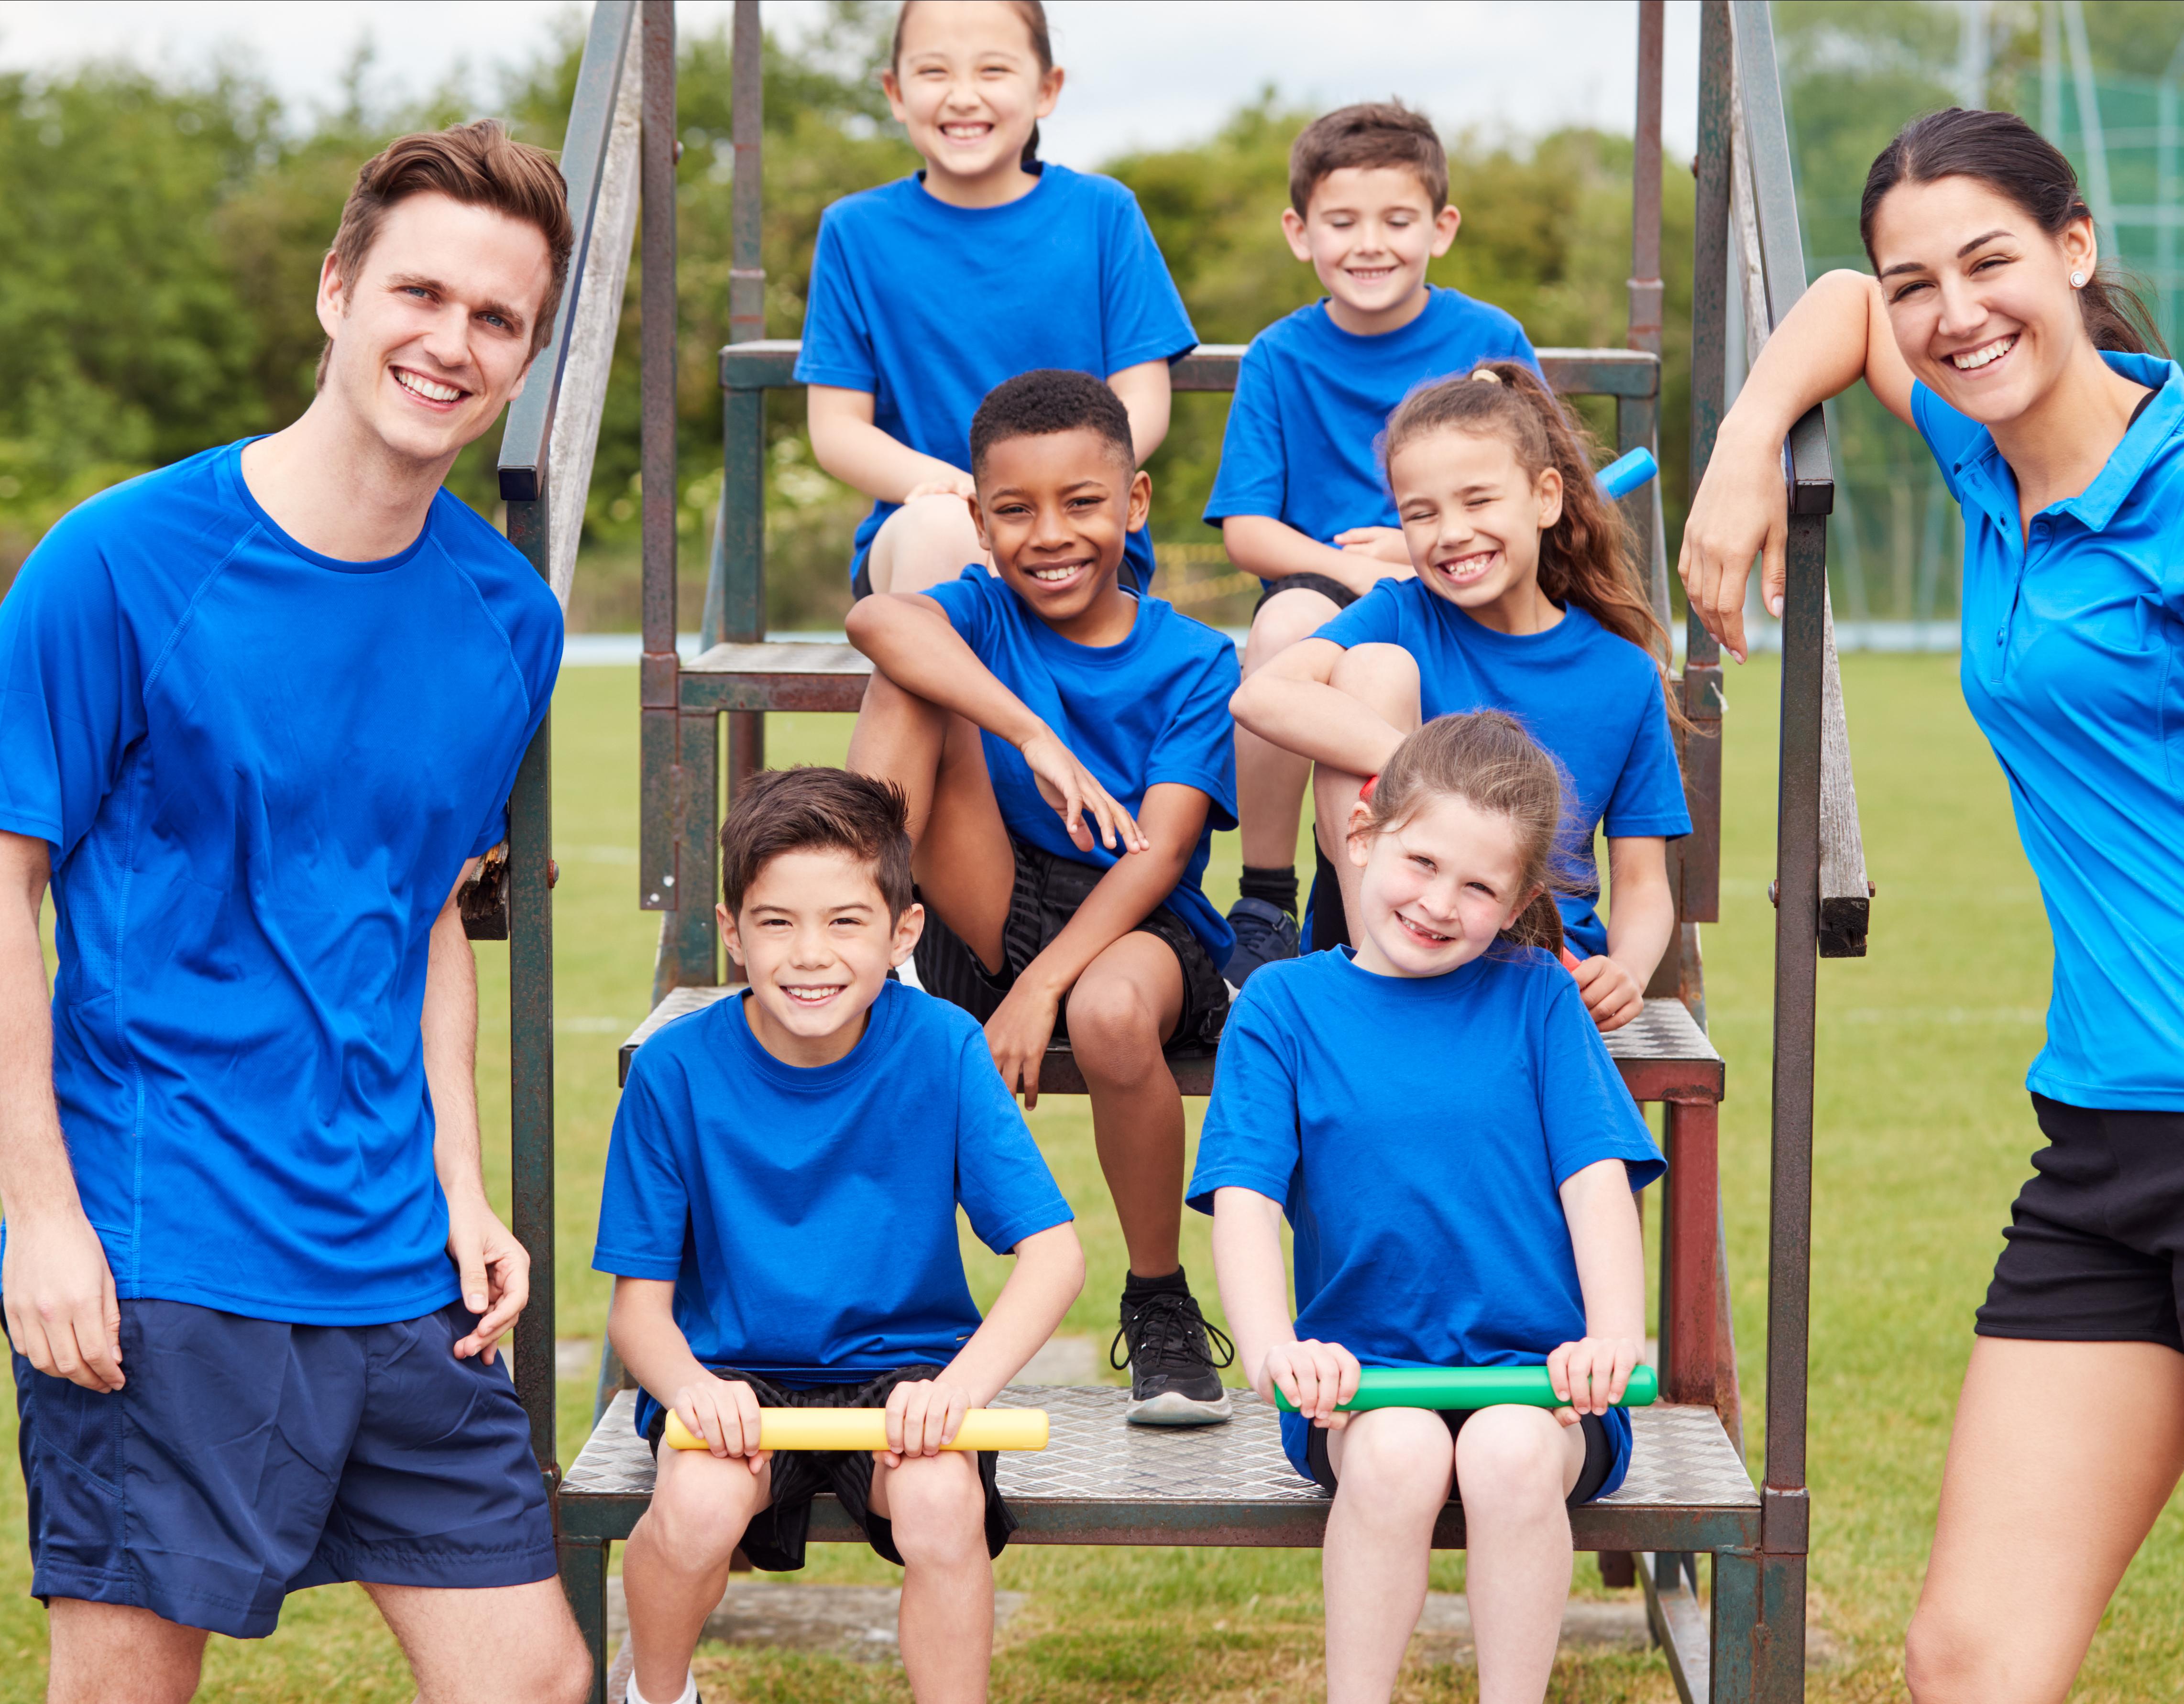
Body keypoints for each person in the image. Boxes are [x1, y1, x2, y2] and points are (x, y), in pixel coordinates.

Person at [1677, 106, 2184, 1702]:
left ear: (2072, 251)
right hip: (2094, 1142)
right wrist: (1744, 438)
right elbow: (1826, 296)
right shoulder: (1981, 444)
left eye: (1987, 262)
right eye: (1918, 285)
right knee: (1970, 1657)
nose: (1948, 311)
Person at [0, 124, 588, 1704]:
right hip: (171, 1245)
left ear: (526, 353)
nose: (449, 341)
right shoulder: (120, 563)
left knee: (535, 1674)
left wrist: (464, 1185)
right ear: (336, 287)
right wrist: (44, 1217)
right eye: (418, 291)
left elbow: (421, 906)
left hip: (395, 1265)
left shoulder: (511, 616)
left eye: (497, 319)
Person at [1192, 710, 1662, 1704]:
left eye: (1479, 886)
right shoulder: (1280, 1007)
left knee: (1506, 1449)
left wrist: (1610, 1341)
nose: (1439, 904)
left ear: (1522, 899)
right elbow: (1242, 1199)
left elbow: (1597, 1184)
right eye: (1421, 862)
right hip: (1358, 1380)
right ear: (1361, 834)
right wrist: (1277, 1349)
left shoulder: (1536, 999)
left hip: (1539, 1381)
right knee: (1400, 1451)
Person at [598, 765, 1083, 1704]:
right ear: (732, 932)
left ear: (902, 933)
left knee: (941, 1503)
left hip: (906, 1371)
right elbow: (637, 1317)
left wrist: (956, 1392)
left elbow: (1054, 1256)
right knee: (694, 1505)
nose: (809, 955)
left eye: (845, 922)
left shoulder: (941, 1045)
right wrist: (694, 1393)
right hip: (732, 1374)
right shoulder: (674, 1071)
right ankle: (658, 1694)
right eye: (776, 923)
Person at [845, 367, 1242, 1425]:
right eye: (1013, 511)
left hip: (1134, 922)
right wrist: (1032, 733)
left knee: (1110, 1014)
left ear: (1136, 505)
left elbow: (1158, 854)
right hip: (990, 898)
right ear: (976, 520)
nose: (1049, 534)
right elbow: (879, 620)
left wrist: (1040, 990)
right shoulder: (977, 612)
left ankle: (1157, 1303)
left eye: (1082, 504)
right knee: (914, 670)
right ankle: (852, 934)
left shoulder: (1198, 658)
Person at [1232, 361, 1691, 1033]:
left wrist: (1626, 967)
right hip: (1380, 928)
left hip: (1530, 958)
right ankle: (1383, 1005)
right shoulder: (1401, 612)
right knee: (1371, 672)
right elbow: (1261, 697)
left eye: (1477, 502)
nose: (1449, 533)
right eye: (1421, 513)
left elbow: (1644, 881)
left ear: (1545, 499)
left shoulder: (1623, 675)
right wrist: (1434, 773)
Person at [1206, 101, 1542, 985]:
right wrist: (1356, 564)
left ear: (1440, 227)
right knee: (1284, 635)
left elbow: (1540, 493)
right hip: (1325, 588)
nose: (1369, 243)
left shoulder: (1488, 340)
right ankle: (1268, 897)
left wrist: (1413, 545)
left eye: (1396, 220)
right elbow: (1246, 528)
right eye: (1341, 221)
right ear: (1297, 231)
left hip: (1456, 583)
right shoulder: (1281, 355)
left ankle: (1457, 895)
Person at [798, 0, 1196, 600]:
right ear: (895, 92)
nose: (962, 96)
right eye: (934, 72)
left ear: (1046, 88)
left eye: (993, 71)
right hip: (922, 527)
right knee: (939, 532)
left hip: (1082, 537)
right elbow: (836, 429)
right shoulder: (855, 231)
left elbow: (1142, 399)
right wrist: (964, 495)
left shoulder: (1103, 214)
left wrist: (1046, 497)